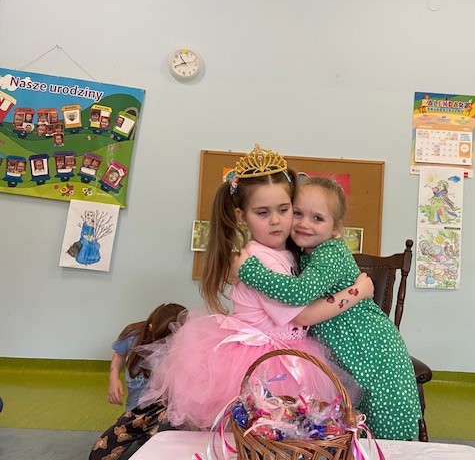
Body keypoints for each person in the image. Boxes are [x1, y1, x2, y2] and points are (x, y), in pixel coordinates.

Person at [138, 145, 372, 430]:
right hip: (265, 359)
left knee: (277, 429)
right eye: (262, 212)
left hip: (284, 349)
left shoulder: (286, 252)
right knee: (265, 427)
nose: (276, 220)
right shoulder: (261, 260)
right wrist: (357, 291)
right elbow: (302, 315)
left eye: (284, 210)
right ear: (241, 216)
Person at [235, 175, 423, 440]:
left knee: (385, 429)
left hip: (374, 351)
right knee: (352, 424)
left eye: (317, 218)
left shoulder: (330, 253)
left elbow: (298, 293)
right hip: (351, 353)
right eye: (298, 213)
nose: (304, 223)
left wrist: (250, 271)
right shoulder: (302, 253)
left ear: (335, 228)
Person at [89, 303, 186, 460]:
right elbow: (119, 354)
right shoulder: (133, 335)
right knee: (97, 456)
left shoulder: (182, 342)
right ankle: (145, 434)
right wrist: (113, 379)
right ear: (151, 328)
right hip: (136, 411)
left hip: (165, 411)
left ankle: (153, 435)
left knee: (159, 451)